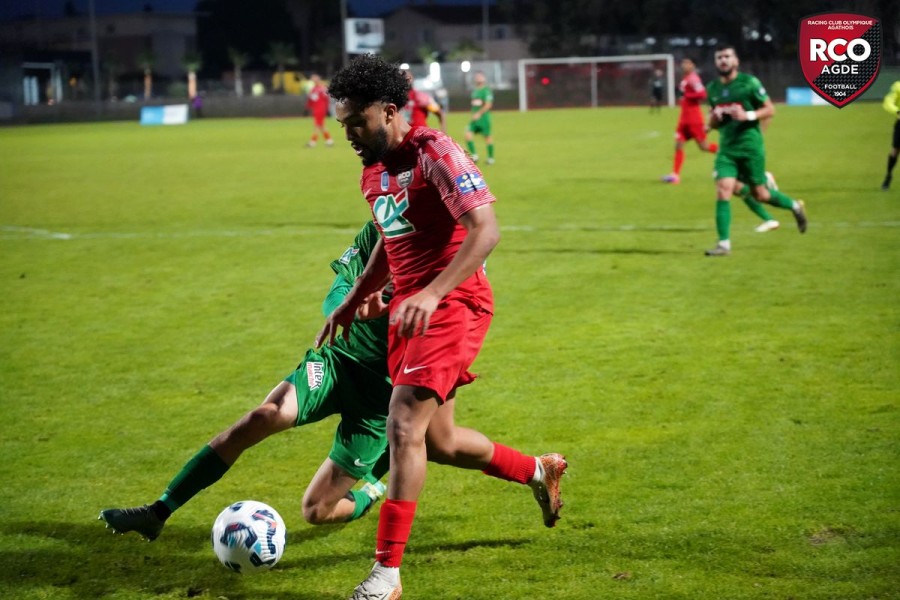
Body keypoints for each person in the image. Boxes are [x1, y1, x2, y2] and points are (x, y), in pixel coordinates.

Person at [320, 54, 567, 600]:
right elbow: (392, 238)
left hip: (453, 304)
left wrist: (432, 292)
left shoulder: (437, 152)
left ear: (389, 111)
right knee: (440, 440)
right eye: (343, 125)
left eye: (357, 122)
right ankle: (536, 470)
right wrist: (357, 298)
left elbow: (486, 230)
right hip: (412, 310)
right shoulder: (373, 171)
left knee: (403, 424)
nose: (350, 135)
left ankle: (387, 574)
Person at [98, 222, 393, 540]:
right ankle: (157, 512)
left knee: (316, 509)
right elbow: (341, 283)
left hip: (379, 398)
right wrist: (348, 308)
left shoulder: (434, 258)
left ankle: (371, 491)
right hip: (336, 361)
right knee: (266, 415)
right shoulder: (379, 225)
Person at [704, 44, 808, 256]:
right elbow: (713, 122)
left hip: (751, 148)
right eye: (719, 57)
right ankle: (724, 245)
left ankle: (795, 206)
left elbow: (770, 109)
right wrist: (713, 121)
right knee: (724, 188)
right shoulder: (712, 89)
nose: (723, 60)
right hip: (727, 150)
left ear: (736, 61)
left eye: (727, 56)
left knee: (760, 194)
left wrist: (748, 116)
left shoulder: (749, 83)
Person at [661, 57, 718, 184]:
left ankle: (726, 153)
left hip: (694, 119)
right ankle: (675, 175)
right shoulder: (686, 79)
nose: (684, 65)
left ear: (693, 65)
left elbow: (703, 94)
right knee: (678, 144)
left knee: (704, 146)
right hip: (684, 119)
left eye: (687, 63)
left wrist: (687, 96)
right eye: (683, 63)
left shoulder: (693, 78)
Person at [465, 70, 495, 164]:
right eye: (477, 77)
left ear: (484, 78)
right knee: (467, 134)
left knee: (487, 137)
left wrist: (479, 113)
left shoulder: (486, 91)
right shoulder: (475, 91)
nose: (478, 78)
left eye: (480, 76)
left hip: (483, 118)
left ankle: (491, 158)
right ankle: (474, 155)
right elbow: (476, 104)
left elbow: (488, 105)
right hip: (475, 118)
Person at [306, 73, 334, 148]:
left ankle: (312, 142)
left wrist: (327, 109)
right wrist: (308, 107)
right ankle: (329, 141)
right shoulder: (313, 89)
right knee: (321, 126)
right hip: (316, 110)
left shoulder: (322, 89)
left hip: (321, 109)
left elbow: (326, 99)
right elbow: (310, 100)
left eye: (314, 78)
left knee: (317, 126)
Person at [881, 80, 900, 191]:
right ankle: (888, 175)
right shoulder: (898, 86)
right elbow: (888, 102)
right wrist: (897, 111)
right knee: (895, 151)